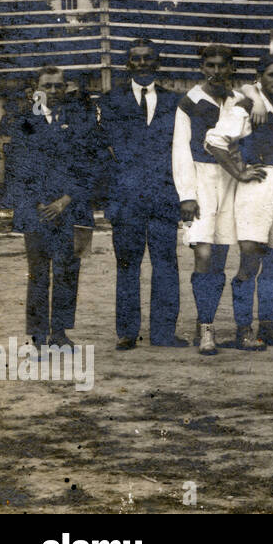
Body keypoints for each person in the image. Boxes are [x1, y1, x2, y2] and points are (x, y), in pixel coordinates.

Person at [97, 39, 185, 350]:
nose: (143, 63)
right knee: (127, 265)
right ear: (128, 64)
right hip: (126, 199)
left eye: (149, 58)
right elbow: (103, 153)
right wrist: (111, 199)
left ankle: (163, 333)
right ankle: (126, 332)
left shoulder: (175, 102)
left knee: (166, 264)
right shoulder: (110, 101)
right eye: (136, 59)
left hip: (163, 197)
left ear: (157, 63)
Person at [5, 65, 98, 350]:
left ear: (66, 87)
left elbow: (91, 166)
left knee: (67, 271)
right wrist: (39, 203)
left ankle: (59, 332)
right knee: (38, 272)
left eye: (59, 86)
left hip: (72, 208)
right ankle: (36, 334)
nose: (54, 91)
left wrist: (65, 200)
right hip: (36, 210)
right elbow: (17, 168)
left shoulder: (81, 119)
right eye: (47, 86)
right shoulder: (22, 121)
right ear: (37, 90)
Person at [206, 52, 273, 350]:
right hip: (257, 185)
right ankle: (243, 330)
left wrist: (254, 90)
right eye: (272, 75)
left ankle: (266, 329)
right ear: (260, 77)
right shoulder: (246, 106)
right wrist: (237, 172)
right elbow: (214, 140)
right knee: (250, 259)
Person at [172, 44, 247, 356]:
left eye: (222, 66)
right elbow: (180, 149)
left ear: (230, 68)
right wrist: (187, 195)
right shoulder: (190, 101)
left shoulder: (238, 100)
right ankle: (206, 328)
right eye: (211, 66)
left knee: (219, 257)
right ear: (202, 68)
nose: (217, 71)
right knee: (202, 254)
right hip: (200, 179)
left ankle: (208, 320)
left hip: (230, 181)